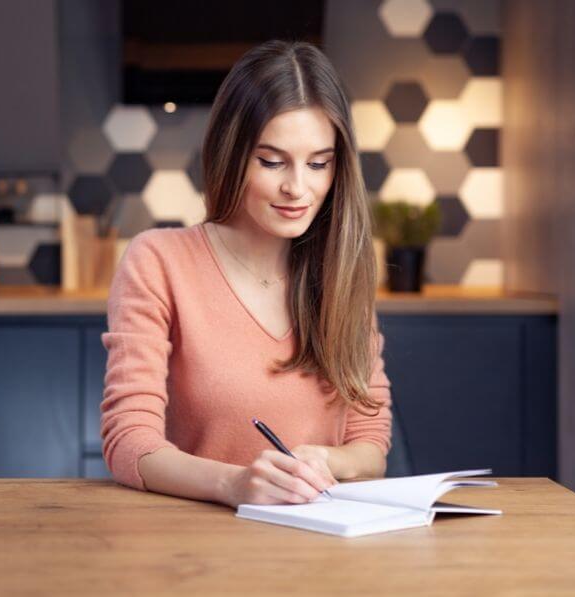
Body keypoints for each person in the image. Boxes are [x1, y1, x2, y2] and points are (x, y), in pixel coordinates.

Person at [100, 40, 392, 508]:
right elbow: (129, 442)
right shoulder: (157, 260)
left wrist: (323, 459)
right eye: (271, 161)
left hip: (320, 550)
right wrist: (233, 485)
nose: (298, 187)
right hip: (194, 551)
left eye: (319, 163)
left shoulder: (341, 271)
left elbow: (371, 446)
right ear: (232, 154)